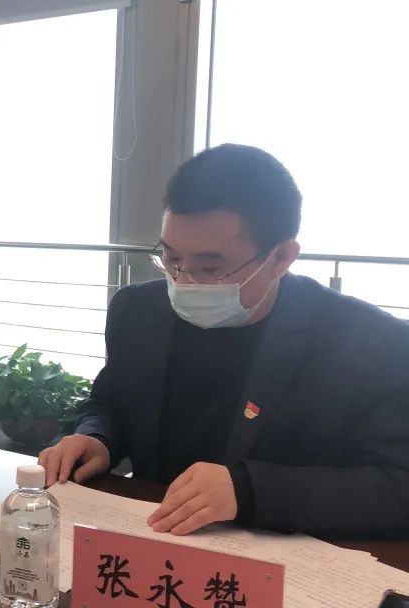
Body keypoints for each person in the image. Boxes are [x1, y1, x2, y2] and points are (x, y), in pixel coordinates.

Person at [38, 143, 409, 538]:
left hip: (282, 553)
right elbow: (111, 401)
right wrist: (97, 438)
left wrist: (248, 490)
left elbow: (398, 486)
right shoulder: (138, 311)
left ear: (281, 257)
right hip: (152, 536)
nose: (183, 281)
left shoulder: (372, 344)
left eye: (209, 268)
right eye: (172, 259)